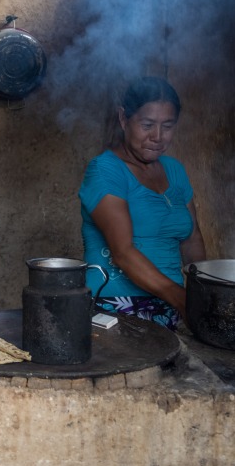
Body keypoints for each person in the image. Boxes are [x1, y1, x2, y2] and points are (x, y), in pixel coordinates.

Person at [78, 76, 206, 330]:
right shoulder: (105, 171)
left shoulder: (175, 170)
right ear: (124, 119)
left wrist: (202, 293)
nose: (157, 136)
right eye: (147, 125)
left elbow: (192, 240)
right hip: (116, 304)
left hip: (173, 303)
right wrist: (183, 300)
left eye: (167, 126)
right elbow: (123, 252)